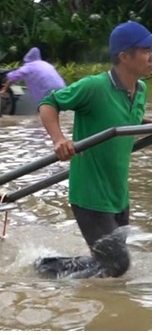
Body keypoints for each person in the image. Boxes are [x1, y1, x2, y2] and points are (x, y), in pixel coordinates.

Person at [36, 21, 152, 279]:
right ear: (124, 57)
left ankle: (46, 267)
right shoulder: (94, 87)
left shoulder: (141, 90)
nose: (151, 56)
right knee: (117, 265)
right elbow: (48, 103)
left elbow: (127, 120)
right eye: (146, 51)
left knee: (109, 264)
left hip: (118, 193)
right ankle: (44, 271)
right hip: (90, 194)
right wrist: (59, 139)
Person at [0, 47, 66, 108]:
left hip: (47, 90)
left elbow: (12, 77)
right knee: (58, 110)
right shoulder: (45, 64)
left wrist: (4, 90)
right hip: (62, 88)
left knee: (45, 111)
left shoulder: (28, 66)